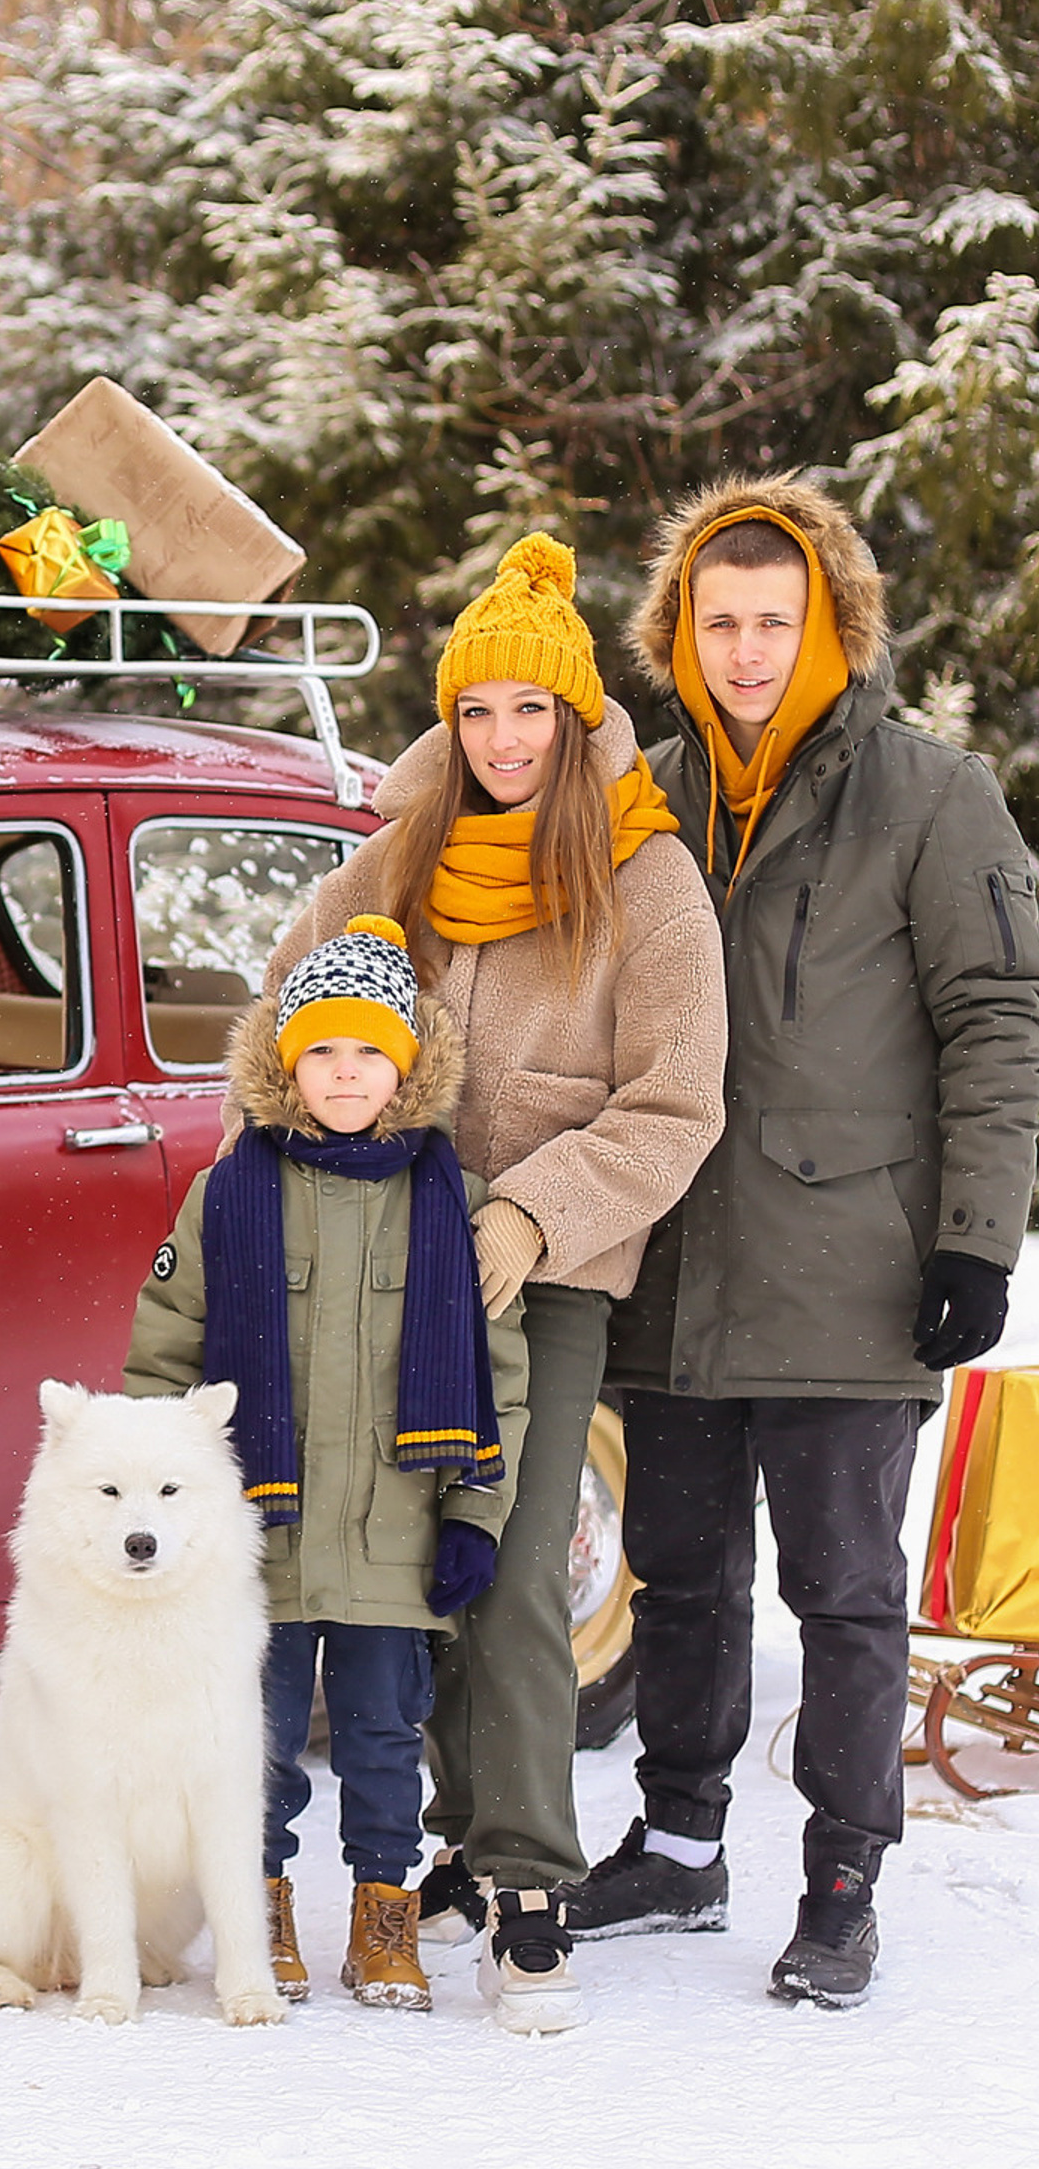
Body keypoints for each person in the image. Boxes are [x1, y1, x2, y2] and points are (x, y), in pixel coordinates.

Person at [569, 477, 1039, 2005]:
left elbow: (997, 1023)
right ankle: (683, 1848)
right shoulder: (639, 791)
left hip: (854, 1264)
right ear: (678, 633)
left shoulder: (931, 795)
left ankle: (843, 1879)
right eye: (722, 622)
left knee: (843, 1588)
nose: (750, 651)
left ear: (831, 624)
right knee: (681, 1576)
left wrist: (977, 1239)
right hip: (680, 1265)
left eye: (779, 621)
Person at [260, 534, 727, 2031]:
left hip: (546, 1280)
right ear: (448, 723)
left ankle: (534, 1890)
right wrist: (283, 1191)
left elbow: (678, 1103)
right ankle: (457, 1836)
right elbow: (283, 1035)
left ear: (579, 723)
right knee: (410, 1570)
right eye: (477, 714)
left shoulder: (644, 879)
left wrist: (533, 1216)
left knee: (516, 1564)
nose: (505, 741)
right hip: (383, 1269)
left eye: (533, 713)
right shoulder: (395, 857)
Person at [127, 916, 528, 2015]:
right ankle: (259, 1914)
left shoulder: (459, 1203)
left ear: (405, 1066)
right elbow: (164, 1353)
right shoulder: (228, 1195)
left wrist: (471, 1516)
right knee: (249, 1738)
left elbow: (502, 1377)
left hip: (394, 1534)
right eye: (321, 1053)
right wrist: (167, 1515)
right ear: (283, 1063)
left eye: (367, 1054)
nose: (344, 1075)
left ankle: (383, 1916)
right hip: (253, 1540)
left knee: (382, 1737)